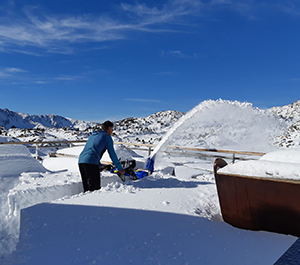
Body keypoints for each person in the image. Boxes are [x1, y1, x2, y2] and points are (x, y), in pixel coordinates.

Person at [78, 120, 125, 192]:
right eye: (112, 129)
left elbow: (91, 151)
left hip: (81, 161)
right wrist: (120, 168)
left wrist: (99, 165)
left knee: (87, 189)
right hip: (91, 163)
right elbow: (112, 154)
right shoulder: (107, 137)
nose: (112, 132)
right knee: (94, 190)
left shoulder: (93, 135)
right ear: (109, 128)